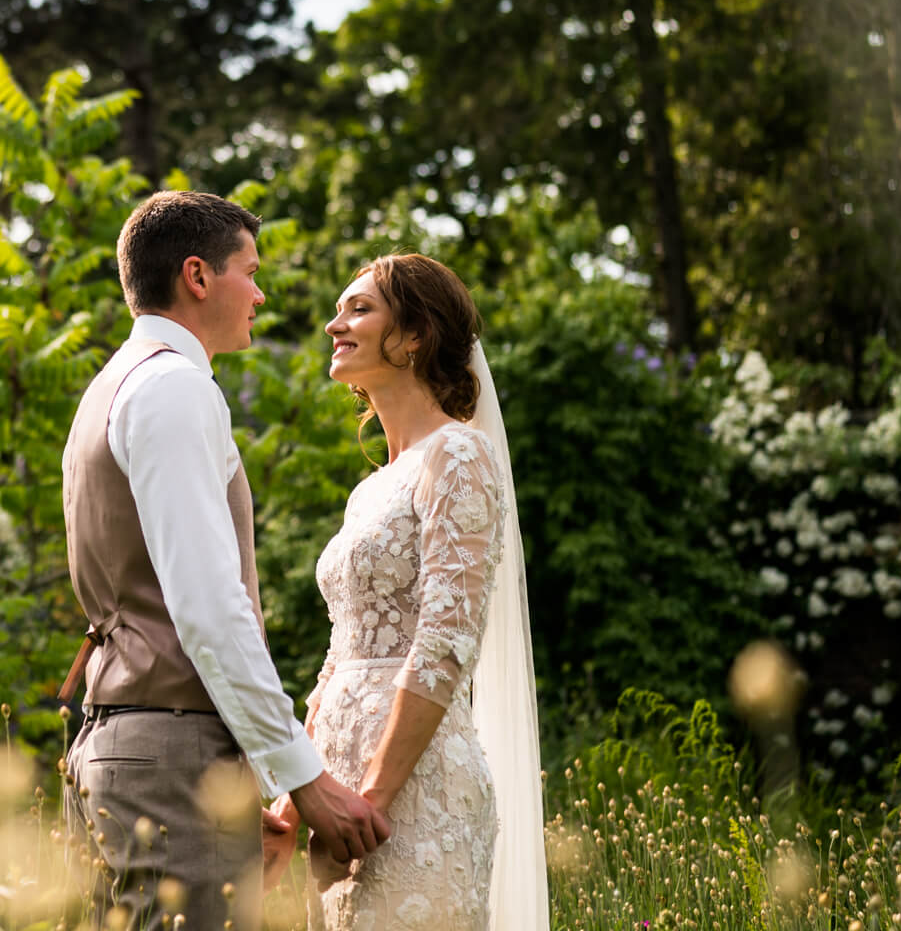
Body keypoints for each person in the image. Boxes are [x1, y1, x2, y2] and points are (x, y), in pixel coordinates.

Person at [60, 191, 390, 931]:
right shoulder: (176, 389)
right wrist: (303, 779)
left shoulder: (114, 383)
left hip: (124, 747)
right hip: (170, 758)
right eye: (251, 270)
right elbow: (209, 610)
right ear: (198, 277)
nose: (261, 292)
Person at [281, 252, 549, 929]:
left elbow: (444, 642)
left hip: (414, 790)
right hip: (340, 794)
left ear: (414, 336)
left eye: (358, 308)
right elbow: (339, 659)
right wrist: (296, 804)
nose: (333, 323)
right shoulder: (370, 487)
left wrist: (369, 805)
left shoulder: (458, 454)